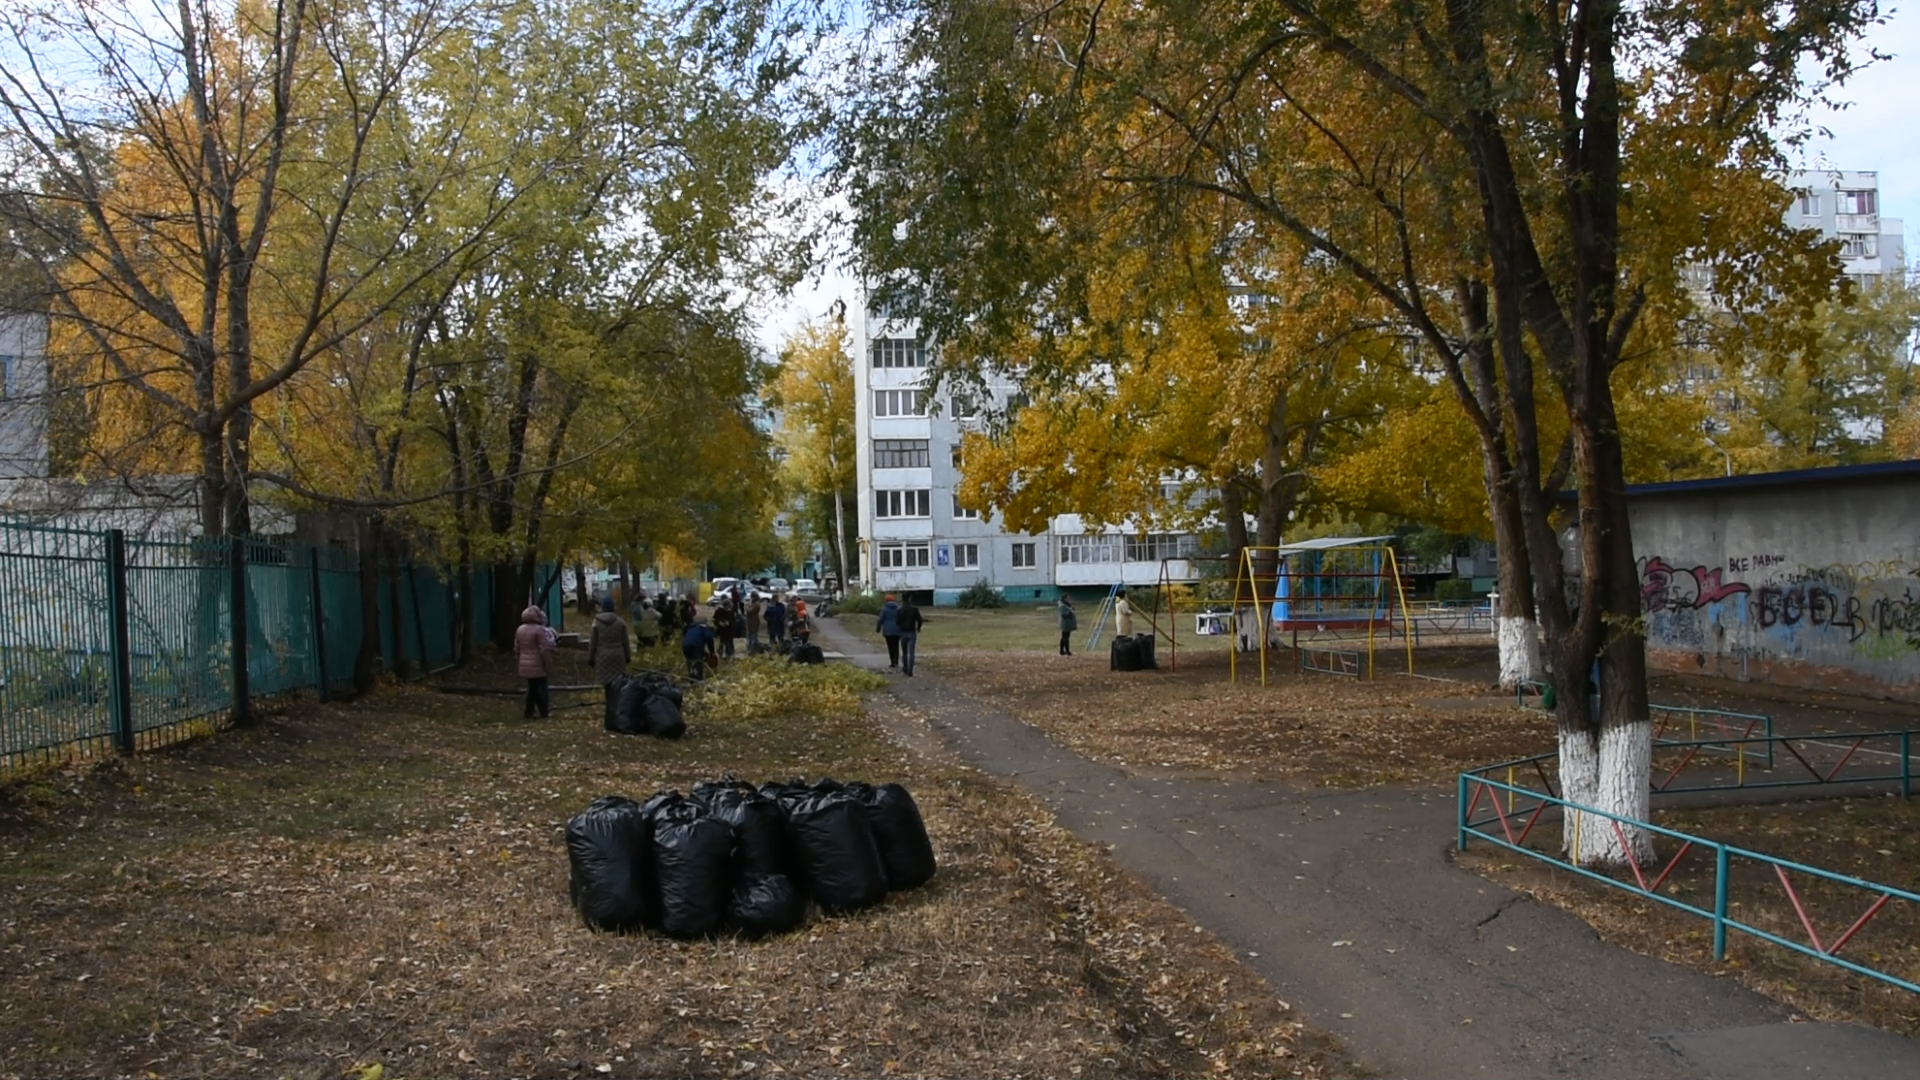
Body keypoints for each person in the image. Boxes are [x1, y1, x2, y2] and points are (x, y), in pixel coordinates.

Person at [586, 596, 631, 727]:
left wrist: (591, 658)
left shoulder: (596, 623)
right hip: (618, 656)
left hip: (602, 656)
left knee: (607, 686)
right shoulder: (621, 622)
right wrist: (627, 656)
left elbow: (593, 643)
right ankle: (616, 714)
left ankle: (609, 716)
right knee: (618, 686)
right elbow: (625, 642)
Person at [514, 604, 556, 718]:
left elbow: (517, 648)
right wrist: (548, 664)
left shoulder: (520, 629)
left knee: (533, 687)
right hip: (537, 664)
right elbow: (544, 650)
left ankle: (535, 711)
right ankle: (535, 711)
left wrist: (519, 660)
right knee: (535, 688)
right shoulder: (539, 630)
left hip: (524, 662)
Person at [682, 615, 717, 681]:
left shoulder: (691, 628)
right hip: (695, 647)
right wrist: (712, 652)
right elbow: (709, 639)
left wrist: (707, 654)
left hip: (685, 647)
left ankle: (690, 676)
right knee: (698, 663)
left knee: (690, 661)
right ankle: (698, 681)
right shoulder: (703, 628)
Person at [896, 596, 924, 676]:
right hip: (911, 632)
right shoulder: (914, 609)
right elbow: (920, 620)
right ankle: (910, 670)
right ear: (909, 599)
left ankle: (905, 667)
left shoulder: (899, 610)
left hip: (903, 632)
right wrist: (918, 628)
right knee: (911, 652)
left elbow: (897, 622)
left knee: (904, 652)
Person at [877, 594, 902, 668]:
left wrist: (878, 628)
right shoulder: (898, 609)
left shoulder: (884, 609)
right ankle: (896, 660)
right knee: (896, 645)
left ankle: (892, 661)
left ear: (886, 601)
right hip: (897, 629)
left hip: (887, 630)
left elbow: (880, 619)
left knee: (890, 646)